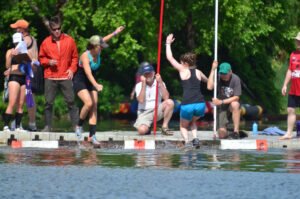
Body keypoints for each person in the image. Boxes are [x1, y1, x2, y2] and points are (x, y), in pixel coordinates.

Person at [73, 26, 124, 144]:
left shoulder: (97, 48)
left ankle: (92, 136)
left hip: (92, 80)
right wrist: (97, 85)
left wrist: (115, 32)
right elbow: (88, 73)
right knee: (89, 103)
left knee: (94, 105)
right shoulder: (85, 56)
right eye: (100, 47)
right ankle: (79, 125)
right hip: (81, 80)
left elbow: (104, 39)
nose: (102, 48)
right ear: (94, 46)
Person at [166, 33, 208, 146]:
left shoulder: (183, 70)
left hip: (188, 103)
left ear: (184, 63)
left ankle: (187, 142)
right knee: (193, 122)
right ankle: (195, 138)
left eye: (181, 62)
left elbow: (170, 58)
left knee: (183, 125)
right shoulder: (199, 72)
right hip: (200, 104)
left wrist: (168, 43)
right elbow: (208, 81)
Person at [39, 16, 79, 132]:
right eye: (54, 29)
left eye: (59, 28)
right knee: (48, 103)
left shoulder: (69, 40)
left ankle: (76, 127)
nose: (57, 31)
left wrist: (72, 69)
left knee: (71, 101)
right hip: (50, 76)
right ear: (50, 29)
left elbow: (75, 57)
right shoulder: (45, 42)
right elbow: (41, 59)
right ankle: (47, 127)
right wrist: (48, 62)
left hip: (65, 75)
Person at [10, 19, 41, 131]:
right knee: (28, 97)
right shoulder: (32, 38)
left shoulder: (26, 40)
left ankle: (27, 124)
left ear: (22, 29)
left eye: (17, 28)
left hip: (30, 71)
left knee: (27, 97)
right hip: (33, 70)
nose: (15, 30)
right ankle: (29, 123)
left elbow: (16, 52)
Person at [133, 64, 174, 135]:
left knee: (170, 102)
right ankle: (147, 127)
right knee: (142, 131)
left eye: (150, 73)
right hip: (144, 112)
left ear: (154, 73)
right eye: (146, 74)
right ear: (143, 75)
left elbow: (166, 98)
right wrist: (143, 84)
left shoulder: (160, 83)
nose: (148, 75)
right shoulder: (139, 85)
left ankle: (164, 127)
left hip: (157, 110)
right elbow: (141, 100)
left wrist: (160, 82)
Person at [207, 61, 242, 139]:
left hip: (230, 105)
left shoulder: (235, 79)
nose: (223, 75)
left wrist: (221, 101)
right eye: (221, 73)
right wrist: (212, 70)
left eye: (225, 73)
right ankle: (230, 132)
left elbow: (236, 97)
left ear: (230, 72)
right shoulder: (218, 77)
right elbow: (209, 87)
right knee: (221, 135)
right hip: (222, 107)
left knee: (235, 104)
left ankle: (236, 132)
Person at [3, 33, 30, 132]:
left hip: (23, 78)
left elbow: (29, 64)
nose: (17, 43)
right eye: (16, 42)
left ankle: (18, 126)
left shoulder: (25, 51)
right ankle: (6, 126)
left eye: (19, 42)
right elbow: (7, 65)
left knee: (21, 104)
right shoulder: (10, 51)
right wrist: (11, 55)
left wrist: (23, 56)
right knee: (12, 102)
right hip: (14, 77)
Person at [279, 32, 300, 140]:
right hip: (294, 88)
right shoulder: (293, 54)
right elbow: (290, 70)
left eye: (299, 41)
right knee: (290, 110)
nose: (298, 42)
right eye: (297, 40)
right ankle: (289, 133)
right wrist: (285, 85)